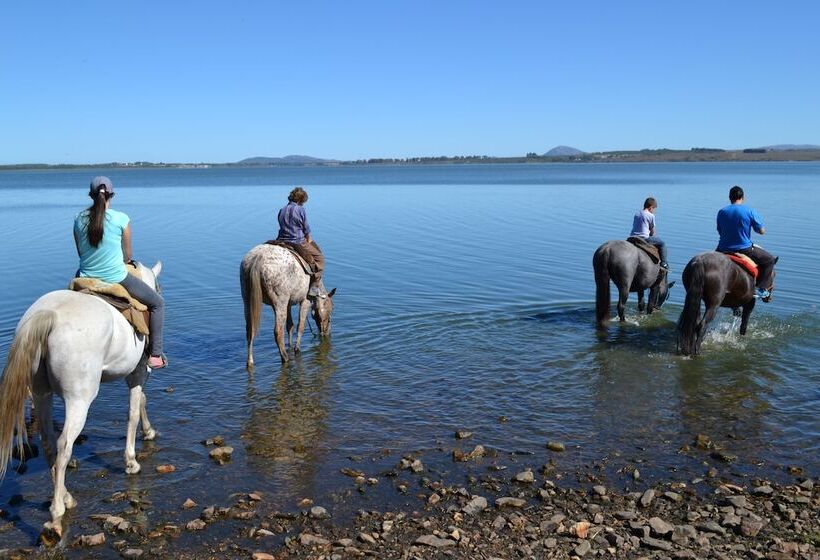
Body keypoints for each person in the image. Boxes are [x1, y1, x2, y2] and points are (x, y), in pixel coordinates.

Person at [73, 176, 167, 368]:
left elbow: (80, 252)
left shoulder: (78, 218)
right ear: (111, 195)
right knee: (158, 303)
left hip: (85, 277)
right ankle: (155, 355)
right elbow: (127, 255)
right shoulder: (121, 218)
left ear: (91, 196)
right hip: (116, 277)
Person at [716, 185, 777, 299]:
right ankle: (761, 289)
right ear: (743, 197)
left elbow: (720, 231)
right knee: (769, 260)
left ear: (730, 197)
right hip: (744, 248)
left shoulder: (722, 211)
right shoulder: (749, 211)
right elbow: (761, 231)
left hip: (722, 248)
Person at [276, 187, 326, 297]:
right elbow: (306, 229)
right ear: (300, 200)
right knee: (320, 259)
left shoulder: (282, 209)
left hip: (281, 240)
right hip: (297, 241)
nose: (303, 204)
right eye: (303, 202)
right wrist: (309, 240)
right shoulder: (300, 210)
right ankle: (313, 287)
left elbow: (281, 225)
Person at [630, 197, 669, 269]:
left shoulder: (637, 214)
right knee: (662, 244)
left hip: (632, 237)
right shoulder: (651, 216)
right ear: (651, 207)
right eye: (654, 209)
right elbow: (652, 232)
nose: (654, 211)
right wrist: (650, 234)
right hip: (644, 238)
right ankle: (664, 263)